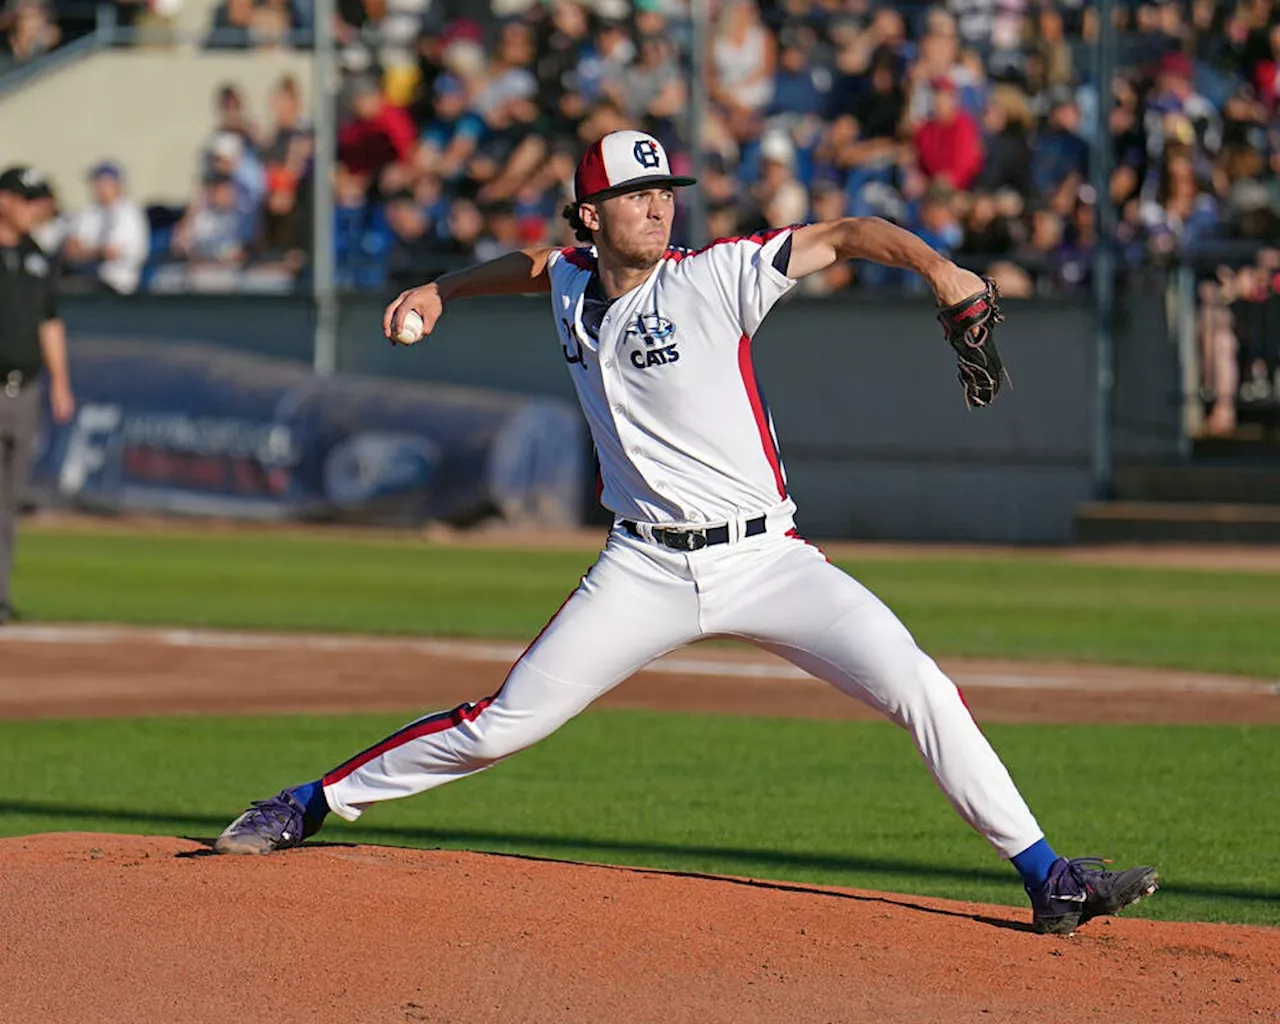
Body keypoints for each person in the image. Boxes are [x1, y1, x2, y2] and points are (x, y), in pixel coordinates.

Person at [214, 130, 1159, 937]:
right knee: (500, 728)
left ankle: (1049, 878)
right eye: (636, 193)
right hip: (643, 568)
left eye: (666, 189)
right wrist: (439, 291)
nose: (660, 206)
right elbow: (531, 265)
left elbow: (847, 233)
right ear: (591, 213)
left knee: (918, 684)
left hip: (769, 559)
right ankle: (309, 803)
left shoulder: (718, 278)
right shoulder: (571, 278)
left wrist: (940, 269)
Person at [0, 166, 75, 625]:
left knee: (8, 503)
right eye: (26, 199)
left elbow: (50, 321)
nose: (34, 209)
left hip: (22, 390)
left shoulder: (37, 258)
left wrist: (61, 382)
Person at [61, 162, 150, 295]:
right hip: (87, 277)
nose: (97, 188)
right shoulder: (90, 212)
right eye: (95, 183)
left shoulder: (128, 213)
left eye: (101, 183)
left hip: (119, 284)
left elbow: (110, 252)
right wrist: (97, 252)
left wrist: (86, 251)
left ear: (115, 184)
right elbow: (70, 251)